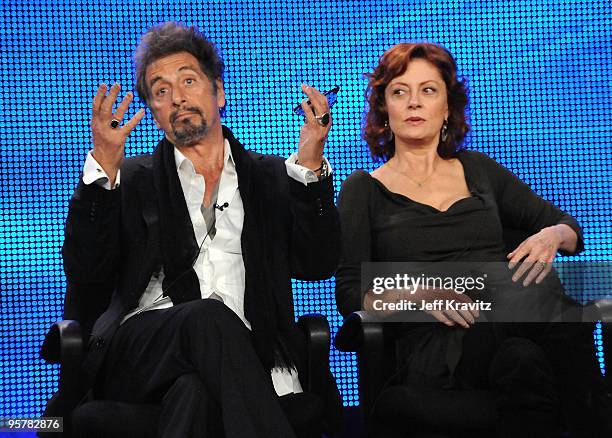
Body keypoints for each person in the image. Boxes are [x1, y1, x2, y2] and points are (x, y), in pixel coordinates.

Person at [57, 22, 342, 437]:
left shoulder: (269, 177)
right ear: (153, 113)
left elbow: (317, 263)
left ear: (219, 93)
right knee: (208, 316)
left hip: (248, 352)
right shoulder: (132, 179)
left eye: (188, 80)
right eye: (160, 90)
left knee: (195, 394)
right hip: (144, 350)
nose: (176, 97)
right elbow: (86, 272)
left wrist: (310, 168)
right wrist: (102, 169)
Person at [335, 42, 603, 437]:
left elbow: (568, 228)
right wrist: (418, 294)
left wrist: (551, 236)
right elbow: (350, 292)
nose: (413, 103)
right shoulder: (363, 189)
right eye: (399, 92)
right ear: (384, 111)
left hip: (509, 327)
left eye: (428, 91)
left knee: (522, 357)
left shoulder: (477, 169)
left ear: (447, 109)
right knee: (544, 295)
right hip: (439, 341)